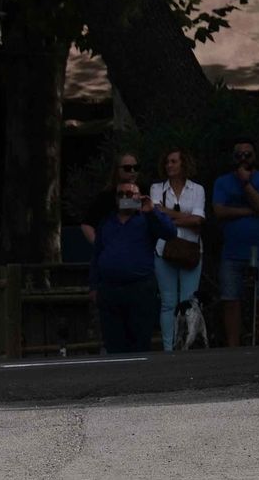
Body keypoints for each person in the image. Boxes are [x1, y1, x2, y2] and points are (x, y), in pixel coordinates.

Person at [90, 178, 177, 353]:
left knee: (139, 344)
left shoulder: (147, 219)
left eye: (129, 194)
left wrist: (152, 210)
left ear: (139, 196)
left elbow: (170, 233)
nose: (124, 197)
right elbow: (97, 254)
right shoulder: (106, 222)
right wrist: (93, 286)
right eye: (120, 194)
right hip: (110, 290)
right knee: (113, 344)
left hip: (140, 289)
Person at [212, 138, 259, 347]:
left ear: (255, 156)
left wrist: (246, 183)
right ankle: (234, 348)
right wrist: (250, 211)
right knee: (231, 300)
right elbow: (219, 210)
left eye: (247, 154)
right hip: (232, 250)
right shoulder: (222, 181)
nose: (243, 158)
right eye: (239, 154)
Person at [148, 149, 206, 352]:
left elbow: (199, 220)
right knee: (168, 302)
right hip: (164, 250)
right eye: (167, 162)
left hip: (190, 250)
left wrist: (169, 214)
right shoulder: (157, 188)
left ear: (183, 164)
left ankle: (187, 346)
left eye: (173, 161)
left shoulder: (197, 189)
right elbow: (156, 217)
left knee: (188, 302)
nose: (169, 165)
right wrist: (186, 219)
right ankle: (168, 348)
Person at [80, 153, 142, 246]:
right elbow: (86, 225)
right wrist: (100, 245)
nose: (132, 171)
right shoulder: (106, 196)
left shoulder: (146, 190)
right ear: (118, 170)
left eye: (136, 168)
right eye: (127, 168)